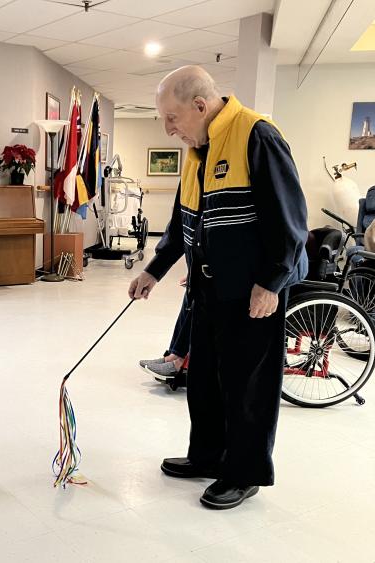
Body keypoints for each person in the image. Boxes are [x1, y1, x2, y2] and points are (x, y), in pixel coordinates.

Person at [129, 66, 308, 510]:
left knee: (247, 386)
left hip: (253, 294)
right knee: (205, 381)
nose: (170, 129)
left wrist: (270, 283)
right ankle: (208, 457)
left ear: (200, 106)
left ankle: (245, 472)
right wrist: (154, 270)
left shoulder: (257, 136)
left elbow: (291, 223)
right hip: (207, 290)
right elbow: (181, 223)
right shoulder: (198, 150)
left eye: (172, 118)